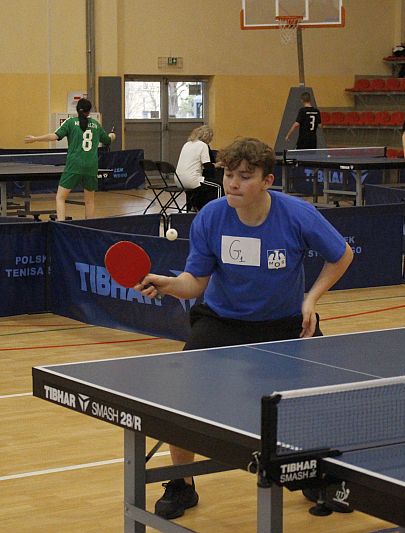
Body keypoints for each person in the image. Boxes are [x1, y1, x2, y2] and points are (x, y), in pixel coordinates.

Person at [134, 137, 353, 520]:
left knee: (319, 398)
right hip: (223, 322)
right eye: (229, 175)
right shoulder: (211, 216)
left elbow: (342, 255)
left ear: (267, 181)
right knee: (181, 399)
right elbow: (195, 282)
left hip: (285, 324)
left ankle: (315, 475)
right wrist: (168, 284)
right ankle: (182, 483)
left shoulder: (297, 214)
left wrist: (311, 299)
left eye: (245, 176)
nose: (233, 183)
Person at [24, 99, 115, 220]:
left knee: (60, 198)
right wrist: (112, 135)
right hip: (91, 166)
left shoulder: (71, 122)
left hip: (74, 165)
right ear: (89, 111)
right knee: (89, 201)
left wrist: (35, 139)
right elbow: (107, 140)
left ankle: (61, 225)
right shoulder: (96, 124)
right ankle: (89, 226)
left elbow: (54, 136)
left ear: (77, 110)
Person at [175, 125, 221, 212]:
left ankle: (193, 208)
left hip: (179, 180)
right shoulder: (203, 145)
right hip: (192, 180)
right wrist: (218, 165)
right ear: (207, 136)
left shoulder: (187, 144)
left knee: (205, 185)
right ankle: (217, 211)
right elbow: (208, 167)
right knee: (218, 186)